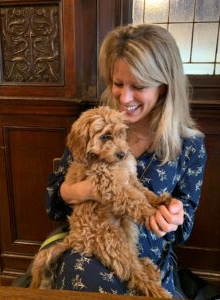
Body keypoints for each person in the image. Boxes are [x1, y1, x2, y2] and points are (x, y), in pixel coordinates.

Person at [45, 24, 207, 298]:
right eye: (118, 84)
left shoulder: (190, 145)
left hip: (148, 258)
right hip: (90, 248)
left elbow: (183, 227)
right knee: (84, 281)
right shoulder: (94, 125)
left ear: (164, 87)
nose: (125, 98)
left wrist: (175, 216)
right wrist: (74, 191)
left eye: (139, 86)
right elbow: (52, 202)